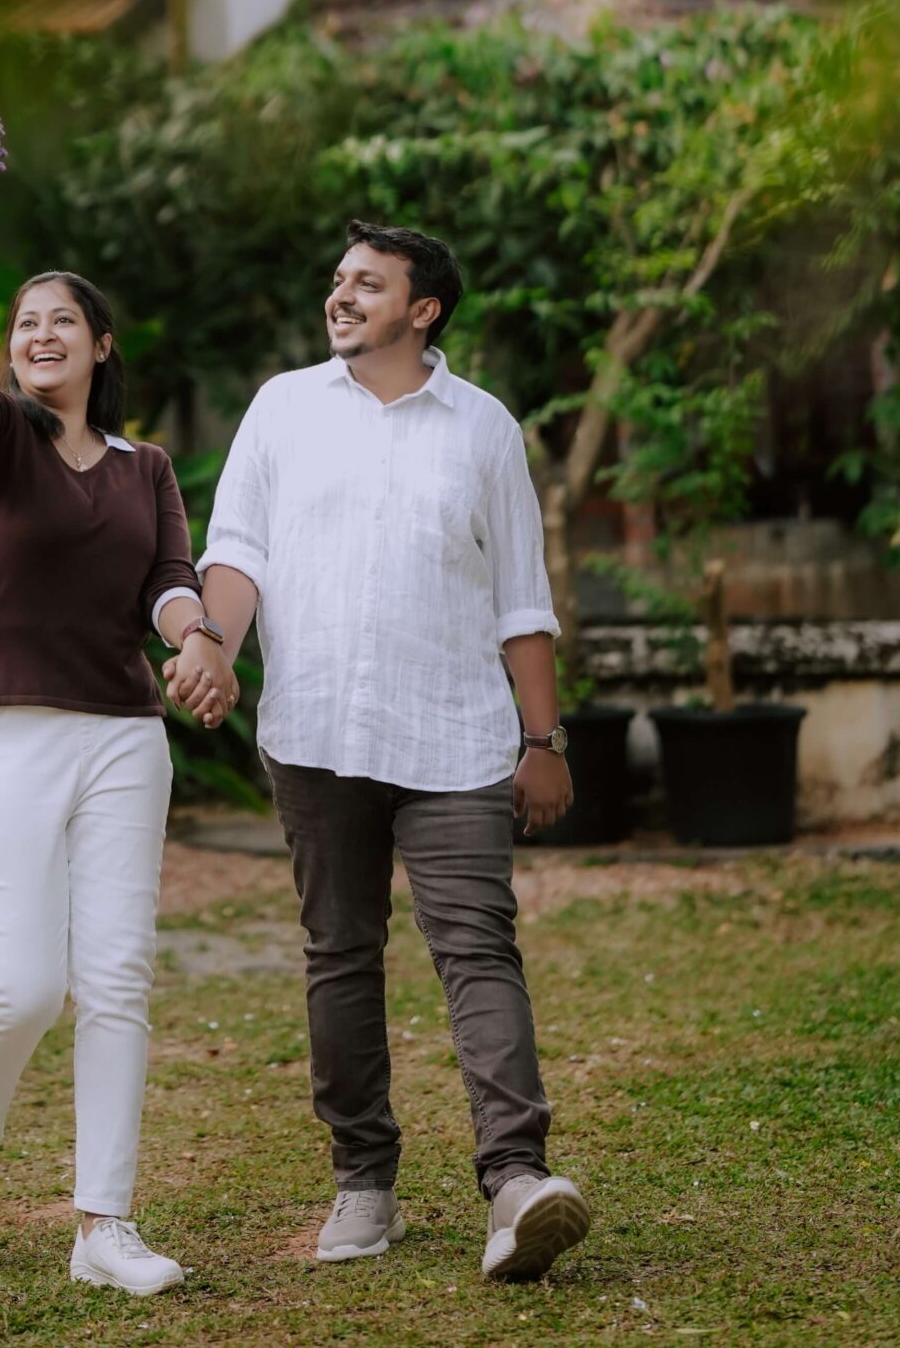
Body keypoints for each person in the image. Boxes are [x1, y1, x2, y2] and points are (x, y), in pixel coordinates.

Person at [180, 219, 591, 1284]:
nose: (342, 294)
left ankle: (516, 1180)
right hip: (316, 732)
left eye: (368, 282)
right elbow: (238, 552)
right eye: (338, 279)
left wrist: (541, 740)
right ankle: (363, 1180)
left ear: (423, 308)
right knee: (340, 952)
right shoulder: (282, 407)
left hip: (454, 734)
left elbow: (520, 598)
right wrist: (210, 642)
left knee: (478, 949)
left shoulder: (484, 427)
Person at [0, 264, 234, 1300]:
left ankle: (105, 1223)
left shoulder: (145, 468)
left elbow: (167, 580)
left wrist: (196, 636)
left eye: (64, 319)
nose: (42, 333)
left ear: (101, 345)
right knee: (24, 983)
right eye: (27, 321)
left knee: (116, 978)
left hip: (120, 737)